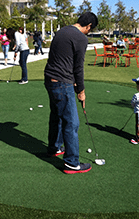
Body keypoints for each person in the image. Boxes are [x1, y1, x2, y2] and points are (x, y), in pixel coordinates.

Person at [44, 12, 98, 174]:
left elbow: (64, 58)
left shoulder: (62, 31)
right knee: (72, 122)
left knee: (57, 115)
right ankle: (71, 162)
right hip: (62, 82)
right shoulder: (81, 38)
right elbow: (78, 67)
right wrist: (80, 90)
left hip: (49, 79)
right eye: (91, 29)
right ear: (88, 26)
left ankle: (54, 148)